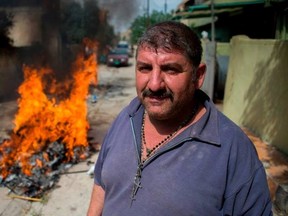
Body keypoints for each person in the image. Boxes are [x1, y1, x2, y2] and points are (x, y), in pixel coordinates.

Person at [87, 21, 272, 216]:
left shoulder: (232, 149)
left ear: (198, 76)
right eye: (145, 68)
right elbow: (101, 184)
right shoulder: (127, 117)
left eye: (170, 69)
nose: (155, 84)